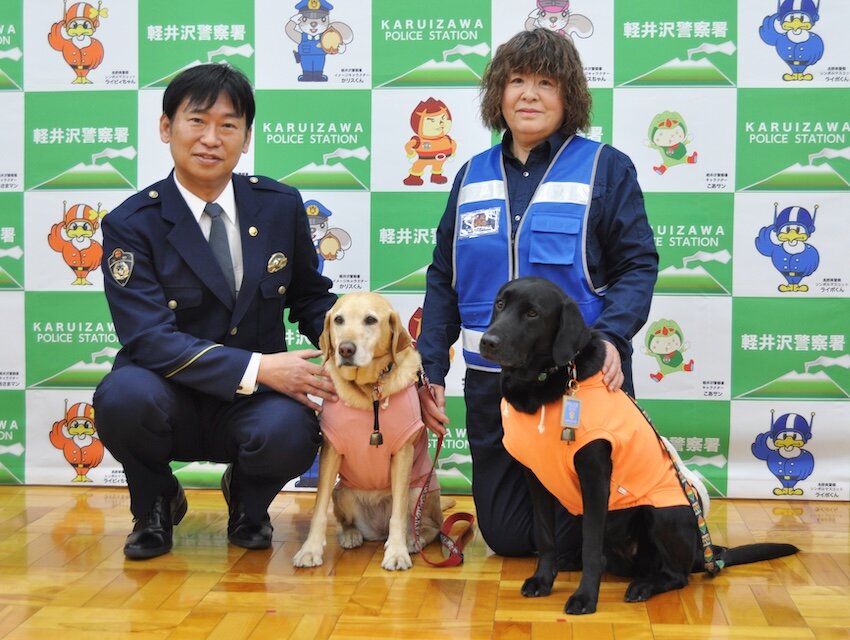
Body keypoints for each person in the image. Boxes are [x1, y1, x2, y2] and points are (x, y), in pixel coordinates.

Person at [416, 29, 658, 562]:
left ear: (569, 96)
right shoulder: (470, 175)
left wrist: (613, 336)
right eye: (517, 81)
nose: (529, 94)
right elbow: (443, 277)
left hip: (578, 383)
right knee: (507, 538)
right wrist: (430, 367)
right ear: (497, 94)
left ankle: (631, 532)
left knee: (606, 526)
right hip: (493, 383)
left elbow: (637, 265)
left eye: (546, 83)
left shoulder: (605, 168)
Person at [93, 63, 338, 560]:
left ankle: (247, 499)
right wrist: (260, 368)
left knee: (293, 429)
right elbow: (148, 338)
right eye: (197, 121)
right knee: (121, 398)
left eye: (228, 125)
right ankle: (154, 501)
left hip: (254, 403)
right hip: (167, 390)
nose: (211, 138)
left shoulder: (279, 205)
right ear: (167, 127)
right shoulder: (132, 223)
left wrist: (356, 342)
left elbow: (310, 298)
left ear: (246, 138)